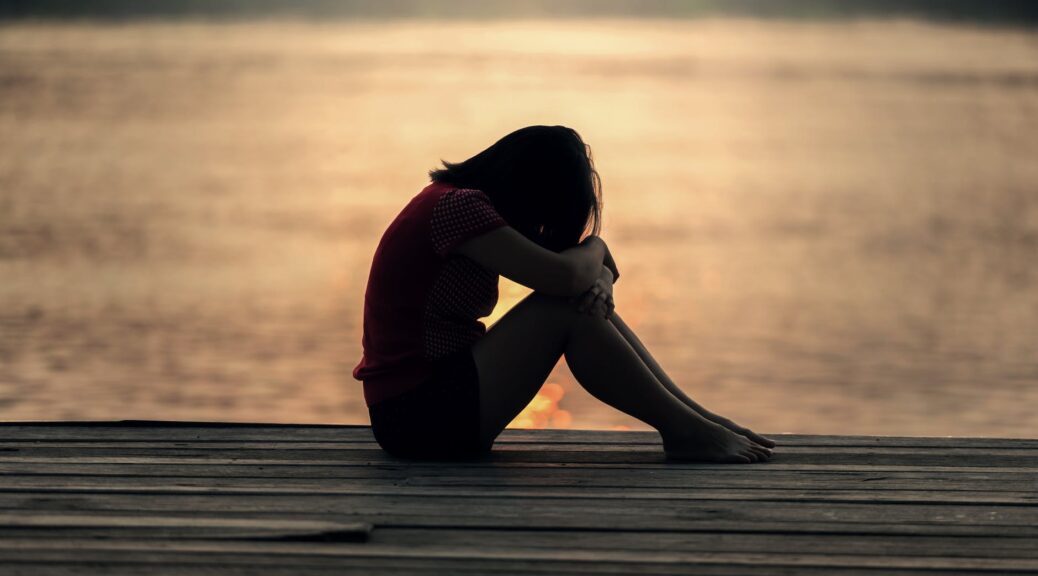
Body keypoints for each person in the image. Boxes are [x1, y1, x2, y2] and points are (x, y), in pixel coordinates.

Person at [353, 125, 775, 462]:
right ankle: (687, 430)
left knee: (573, 302)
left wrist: (601, 278)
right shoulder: (458, 208)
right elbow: (566, 277)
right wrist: (597, 247)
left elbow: (583, 275)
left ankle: (696, 421)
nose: (541, 228)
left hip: (428, 408)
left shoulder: (455, 205)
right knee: (562, 308)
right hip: (417, 416)